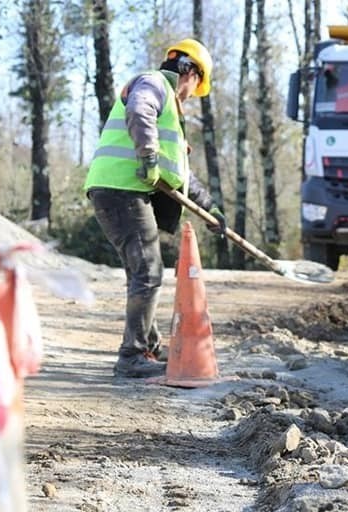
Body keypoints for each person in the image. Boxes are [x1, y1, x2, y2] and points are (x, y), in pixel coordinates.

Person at [84, 38, 226, 378]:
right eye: (195, 86)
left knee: (142, 271)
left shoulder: (171, 115)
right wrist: (148, 157)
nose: (191, 94)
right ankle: (132, 355)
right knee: (148, 271)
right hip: (122, 189)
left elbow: (180, 175)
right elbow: (138, 109)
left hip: (121, 190)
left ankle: (147, 345)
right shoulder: (155, 83)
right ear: (190, 71)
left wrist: (210, 209)